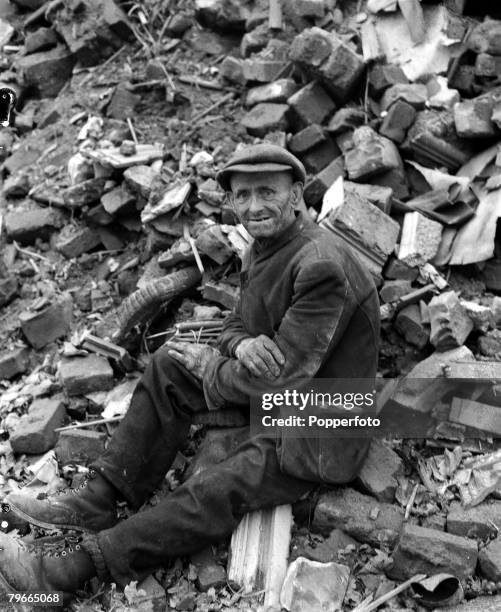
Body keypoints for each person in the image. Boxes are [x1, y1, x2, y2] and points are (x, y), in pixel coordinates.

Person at [0, 144, 380, 602]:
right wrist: (239, 343)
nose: (254, 206)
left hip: (320, 423)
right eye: (243, 196)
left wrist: (217, 366)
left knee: (220, 483)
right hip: (277, 394)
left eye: (267, 192)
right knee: (169, 367)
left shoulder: (320, 265)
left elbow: (283, 381)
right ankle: (98, 501)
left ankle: (71, 570)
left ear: (296, 193)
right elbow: (237, 324)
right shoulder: (264, 245)